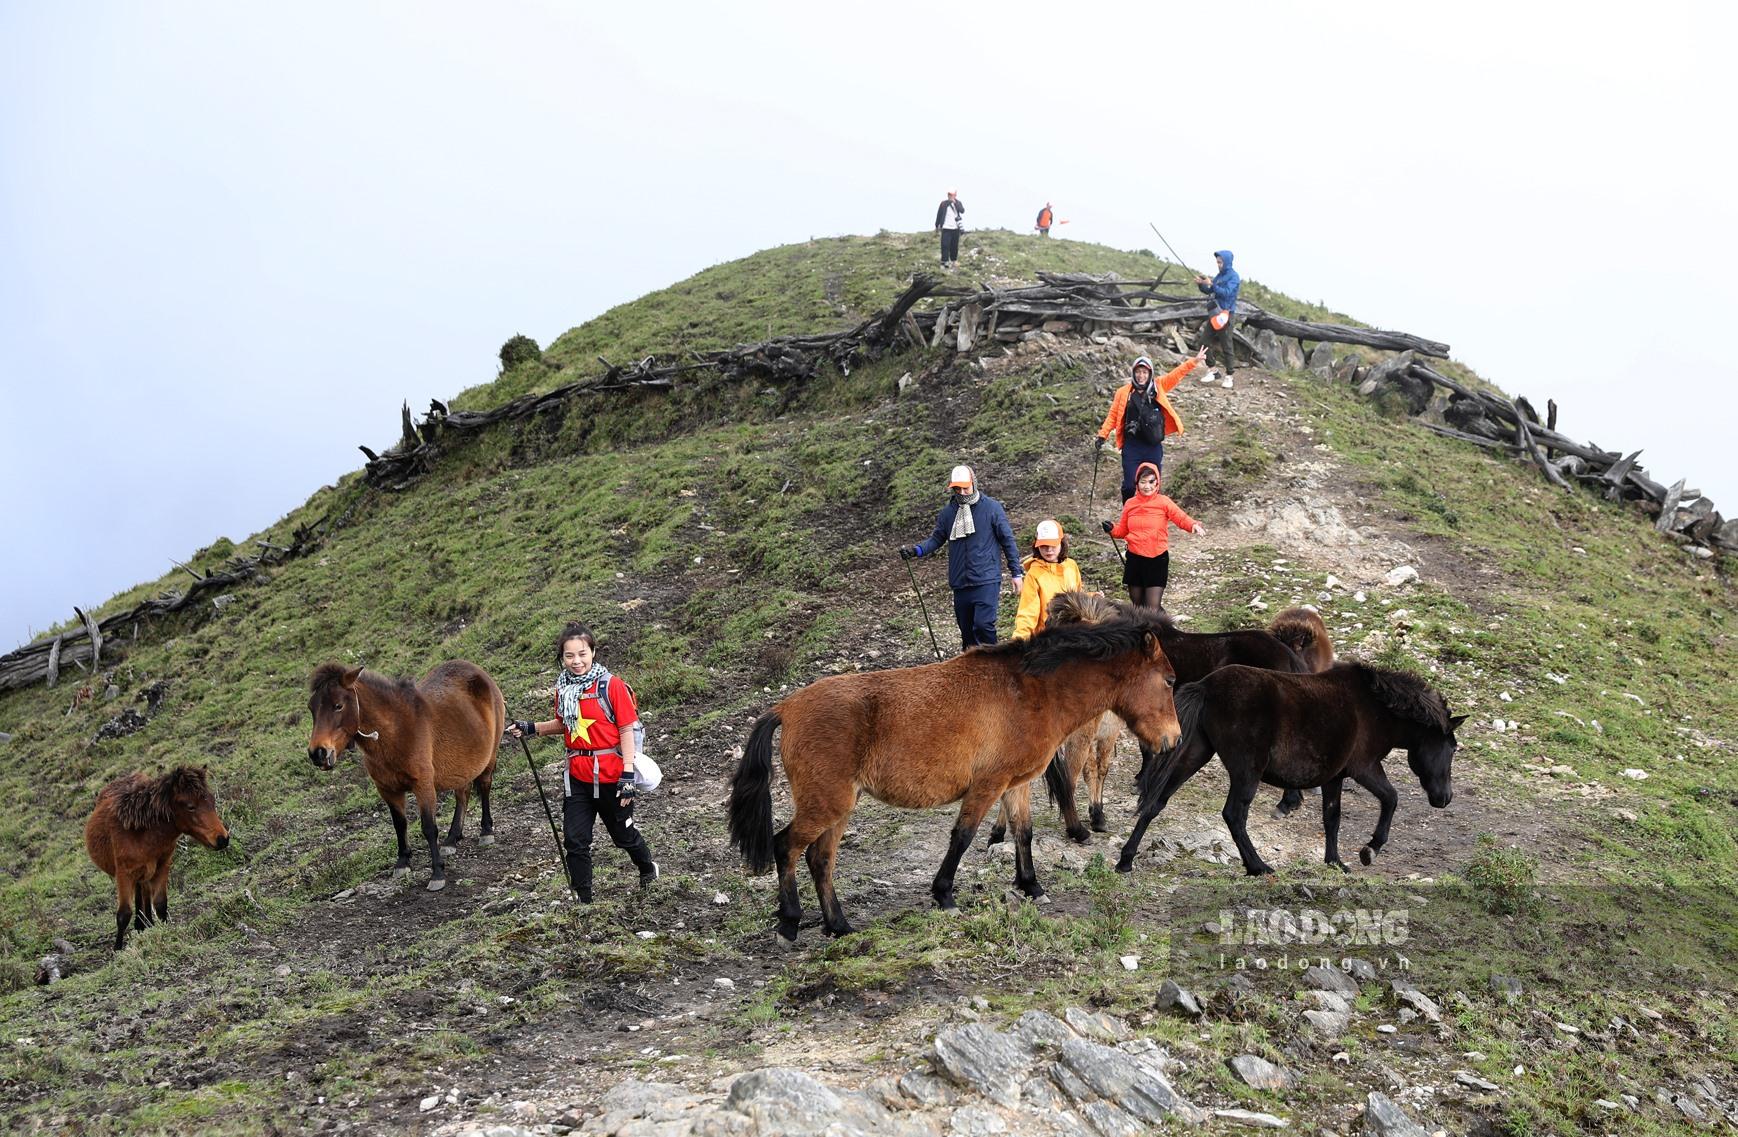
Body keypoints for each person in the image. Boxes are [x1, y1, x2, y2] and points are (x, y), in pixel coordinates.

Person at [509, 623, 657, 902]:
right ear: (562, 658)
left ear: (593, 653)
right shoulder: (563, 689)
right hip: (577, 777)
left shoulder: (611, 686)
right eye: (569, 656)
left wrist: (627, 776)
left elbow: (626, 729)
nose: (576, 661)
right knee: (575, 840)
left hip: (613, 776)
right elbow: (566, 725)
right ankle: (584, 900)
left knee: (622, 836)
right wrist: (532, 727)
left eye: (582, 654)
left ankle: (648, 868)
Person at [900, 465, 1023, 648]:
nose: (962, 492)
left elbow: (1007, 540)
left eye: (966, 487)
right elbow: (936, 539)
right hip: (960, 581)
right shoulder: (948, 513)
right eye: (958, 488)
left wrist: (1016, 573)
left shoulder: (991, 509)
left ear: (973, 483)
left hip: (986, 579)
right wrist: (917, 550)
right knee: (966, 633)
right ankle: (971, 673)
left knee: (983, 626)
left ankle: (992, 668)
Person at [1095, 349, 1205, 500]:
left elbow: (1176, 375)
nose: (1141, 376)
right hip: (1132, 446)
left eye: (1145, 372)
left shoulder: (1158, 386)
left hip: (1153, 445)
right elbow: (1113, 415)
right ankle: (1128, 514)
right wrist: (1102, 435)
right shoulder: (1123, 393)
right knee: (1129, 486)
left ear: (1150, 373)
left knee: (1154, 486)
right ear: (1134, 373)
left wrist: (1194, 361)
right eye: (1138, 372)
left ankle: (1152, 517)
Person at [1102, 462, 1203, 611]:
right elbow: (1123, 530)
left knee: (1152, 607)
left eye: (1151, 481)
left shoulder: (1163, 502)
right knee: (1137, 605)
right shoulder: (1130, 504)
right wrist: (1111, 528)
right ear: (1137, 483)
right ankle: (1145, 632)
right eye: (1143, 482)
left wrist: (1193, 525)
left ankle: (1161, 630)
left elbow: (1180, 517)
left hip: (1157, 560)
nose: (1147, 486)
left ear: (1157, 482)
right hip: (1135, 559)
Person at [1013, 519, 1082, 639]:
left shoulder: (1071, 566)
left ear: (1062, 543)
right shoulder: (1034, 574)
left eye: (1053, 544)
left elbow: (1079, 596)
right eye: (1044, 545)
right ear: (1037, 546)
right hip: (1048, 638)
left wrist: (1092, 597)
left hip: (1074, 633)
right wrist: (1018, 642)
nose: (1049, 550)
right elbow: (1027, 612)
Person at [1194, 249, 1241, 382]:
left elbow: (1225, 293)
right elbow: (1211, 291)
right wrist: (1202, 285)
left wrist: (1212, 284)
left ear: (1226, 262)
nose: (1218, 265)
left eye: (1220, 262)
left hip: (1226, 315)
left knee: (1226, 344)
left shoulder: (1234, 277)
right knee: (1203, 341)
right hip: (1215, 314)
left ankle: (1229, 376)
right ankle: (1213, 370)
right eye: (1217, 262)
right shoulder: (1219, 276)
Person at [934, 190, 965, 270]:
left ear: (955, 195)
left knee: (954, 246)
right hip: (946, 227)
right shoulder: (943, 203)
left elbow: (962, 210)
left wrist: (955, 203)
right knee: (945, 245)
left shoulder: (958, 202)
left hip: (955, 228)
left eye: (952, 194)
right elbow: (939, 214)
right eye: (949, 194)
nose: (951, 196)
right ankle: (944, 262)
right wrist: (937, 225)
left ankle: (954, 261)